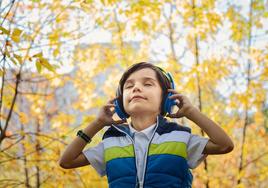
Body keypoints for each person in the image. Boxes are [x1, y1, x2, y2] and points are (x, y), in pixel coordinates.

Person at [59, 62, 234, 188]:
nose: (136, 88)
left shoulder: (180, 138)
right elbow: (67, 161)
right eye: (129, 86)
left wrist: (191, 112)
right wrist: (97, 124)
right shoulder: (111, 143)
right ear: (120, 103)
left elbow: (224, 145)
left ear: (166, 99)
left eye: (147, 83)